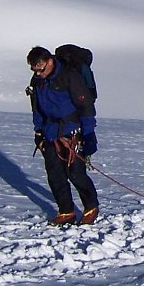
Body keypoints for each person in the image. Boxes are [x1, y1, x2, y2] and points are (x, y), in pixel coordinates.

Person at [27, 45, 99, 225]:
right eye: (34, 70)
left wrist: (89, 134)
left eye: (40, 69)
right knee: (54, 174)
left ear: (49, 61)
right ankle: (66, 210)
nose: (38, 74)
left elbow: (87, 108)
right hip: (50, 132)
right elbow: (36, 108)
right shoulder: (38, 81)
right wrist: (38, 131)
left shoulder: (70, 77)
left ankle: (91, 206)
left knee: (76, 174)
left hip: (73, 131)